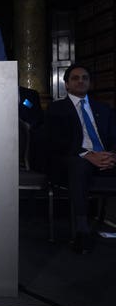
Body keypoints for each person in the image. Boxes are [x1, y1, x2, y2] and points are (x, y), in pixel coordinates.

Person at [44, 64, 116, 254]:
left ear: (90, 83)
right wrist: (88, 154)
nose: (81, 81)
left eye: (85, 78)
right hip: (74, 159)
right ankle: (82, 230)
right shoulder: (57, 109)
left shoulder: (103, 108)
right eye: (75, 78)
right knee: (79, 165)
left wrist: (111, 155)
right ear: (66, 84)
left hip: (105, 157)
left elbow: (113, 136)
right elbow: (56, 141)